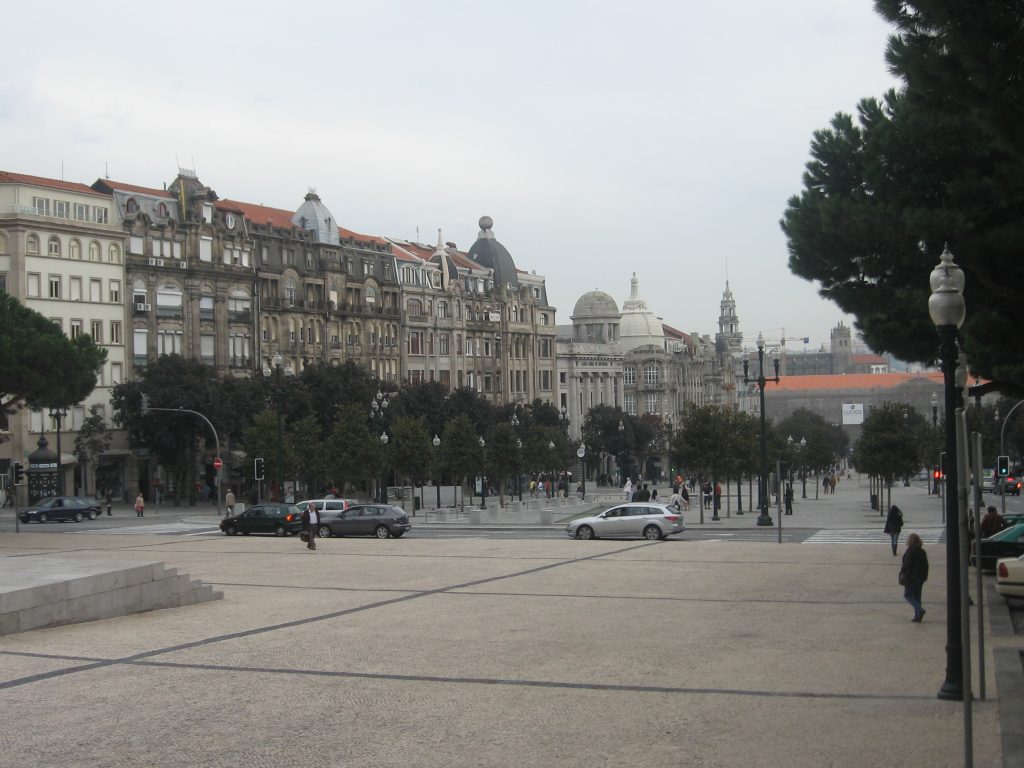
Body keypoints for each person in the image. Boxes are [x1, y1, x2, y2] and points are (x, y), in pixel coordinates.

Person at [899, 532, 929, 622]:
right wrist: (925, 576)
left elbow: (906, 564)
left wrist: (902, 572)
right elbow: (926, 565)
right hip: (921, 577)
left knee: (908, 595)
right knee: (917, 596)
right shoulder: (922, 551)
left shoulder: (910, 551)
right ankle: (917, 616)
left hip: (911, 577)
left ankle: (919, 609)